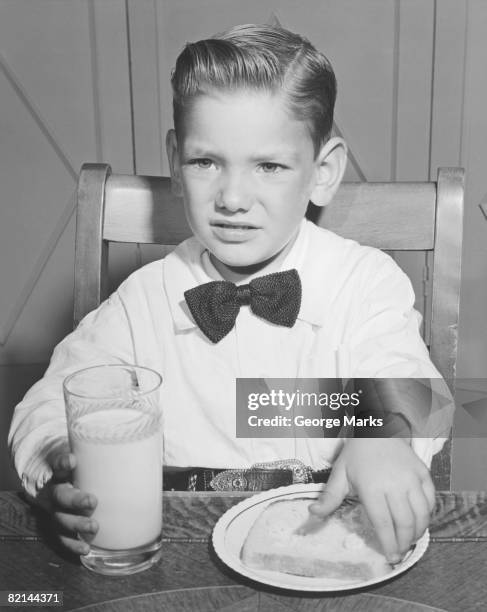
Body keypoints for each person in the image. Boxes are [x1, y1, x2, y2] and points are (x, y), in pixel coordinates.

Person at [8, 24, 452, 566]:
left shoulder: (364, 282)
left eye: (269, 166)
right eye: (206, 162)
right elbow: (52, 401)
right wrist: (60, 460)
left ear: (323, 172)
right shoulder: (144, 300)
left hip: (332, 550)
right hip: (177, 550)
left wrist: (384, 438)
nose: (233, 197)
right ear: (175, 162)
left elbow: (413, 387)